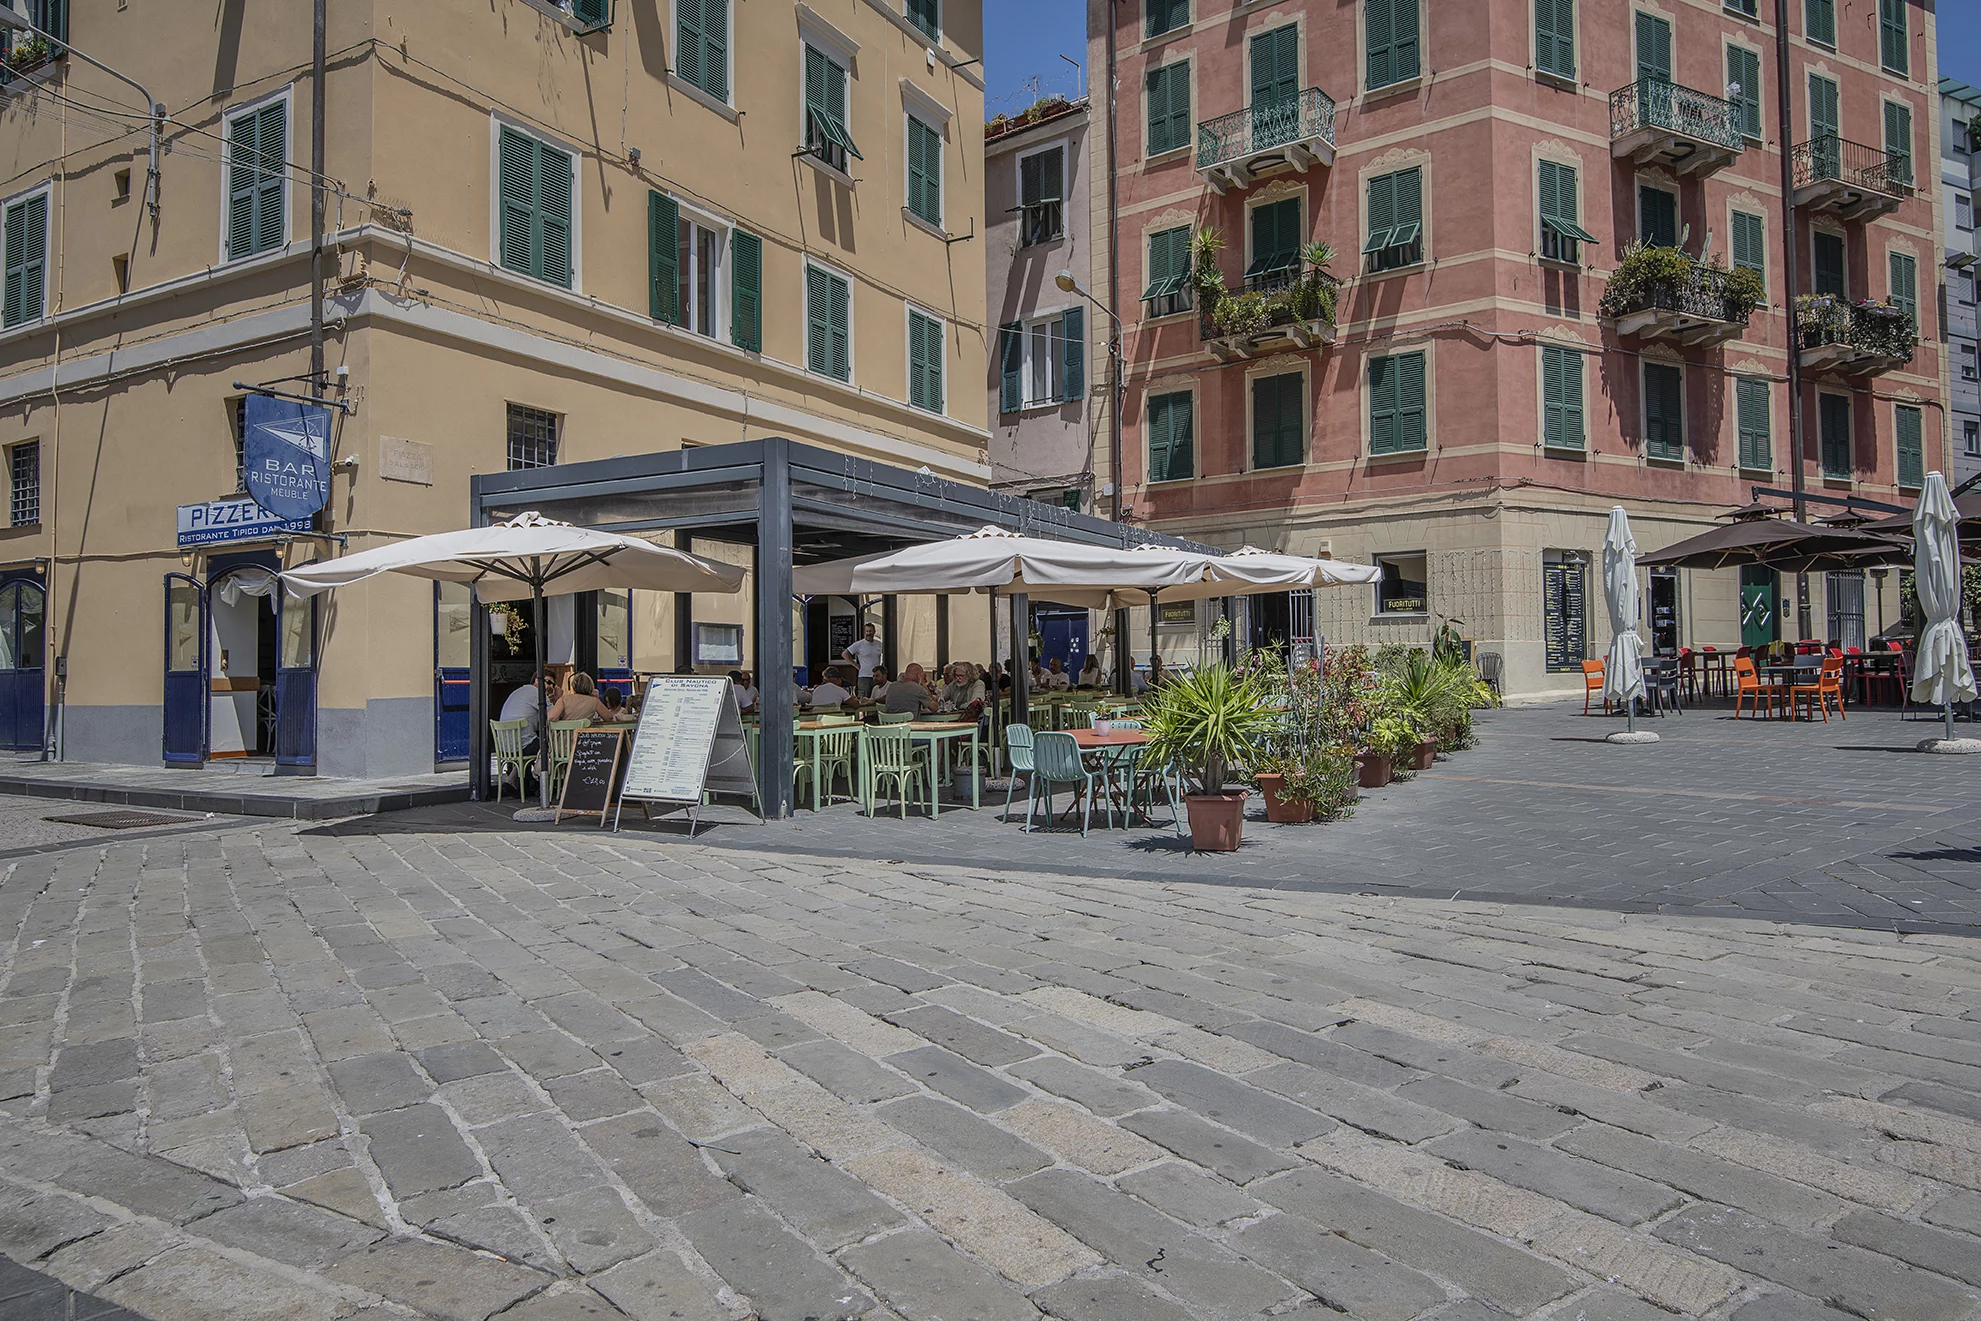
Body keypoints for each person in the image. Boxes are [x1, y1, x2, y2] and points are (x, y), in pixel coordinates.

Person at [843, 622, 884, 698]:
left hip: (877, 676)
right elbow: (845, 654)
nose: (869, 633)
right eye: (867, 631)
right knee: (863, 699)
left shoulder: (879, 644)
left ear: (874, 632)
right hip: (864, 677)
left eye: (870, 631)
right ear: (864, 632)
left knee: (877, 698)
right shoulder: (859, 644)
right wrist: (855, 664)